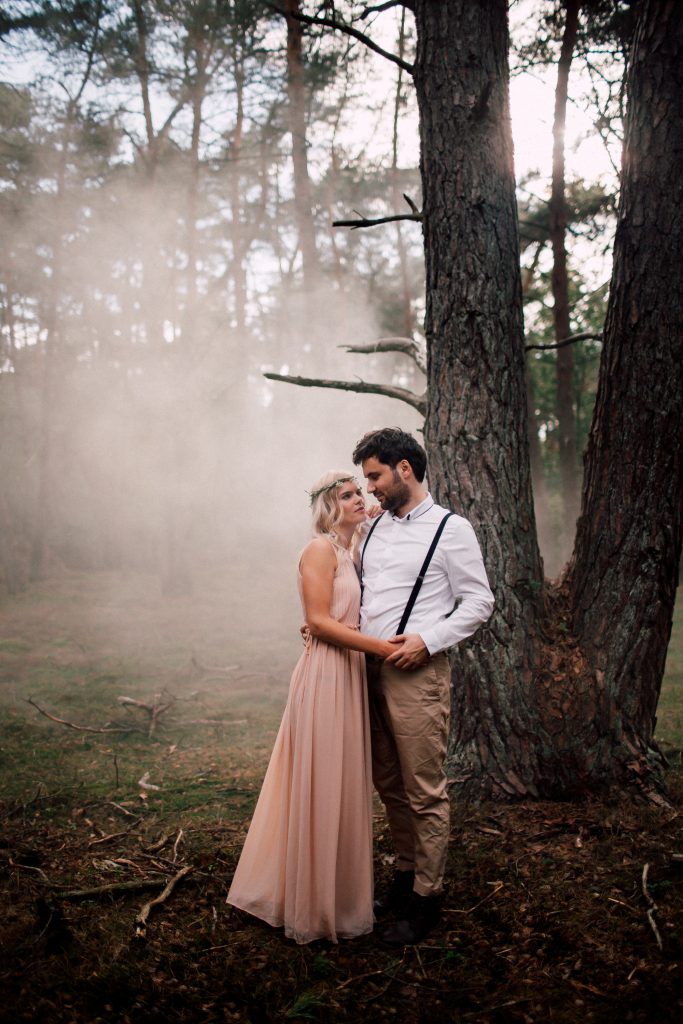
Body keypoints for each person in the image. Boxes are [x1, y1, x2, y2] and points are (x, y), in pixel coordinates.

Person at [226, 471, 396, 944]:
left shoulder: (350, 549)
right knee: (321, 780)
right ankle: (310, 902)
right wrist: (381, 648)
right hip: (326, 674)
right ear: (328, 507)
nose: (359, 498)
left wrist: (370, 512)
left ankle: (336, 895)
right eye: (347, 495)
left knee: (341, 780)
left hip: (349, 674)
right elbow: (318, 622)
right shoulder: (320, 549)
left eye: (360, 491)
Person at [352, 427, 494, 945]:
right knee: (389, 785)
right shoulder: (372, 528)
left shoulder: (451, 529)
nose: (370, 488)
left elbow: (479, 601)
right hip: (366, 670)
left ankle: (427, 898)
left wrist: (428, 641)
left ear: (404, 469)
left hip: (417, 674)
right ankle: (406, 873)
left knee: (423, 790)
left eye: (375, 476)